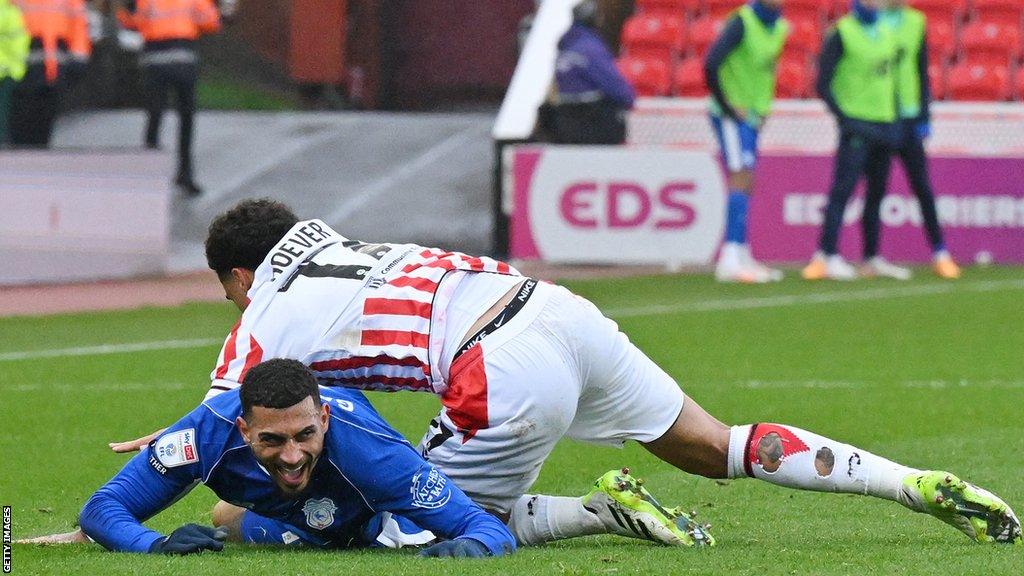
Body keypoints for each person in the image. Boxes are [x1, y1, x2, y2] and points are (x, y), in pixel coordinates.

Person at [102, 198, 1019, 548]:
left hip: (496, 367)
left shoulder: (264, 308)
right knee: (713, 444)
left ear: (234, 277)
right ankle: (909, 485)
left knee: (417, 526)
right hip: (558, 311)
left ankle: (598, 510)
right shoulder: (352, 247)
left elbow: (231, 427)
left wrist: (196, 517)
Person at [78, 358, 516, 557]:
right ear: (243, 429)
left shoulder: (372, 455)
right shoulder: (203, 434)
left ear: (324, 418)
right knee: (225, 520)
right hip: (291, 515)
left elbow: (481, 526)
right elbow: (101, 509)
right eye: (271, 440)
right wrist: (154, 545)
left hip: (365, 511)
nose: (291, 455)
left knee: (415, 528)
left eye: (305, 434)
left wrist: (474, 548)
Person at [856, 0, 959, 280]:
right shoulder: (872, 22)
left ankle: (940, 252)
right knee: (875, 189)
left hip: (909, 117)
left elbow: (920, 69)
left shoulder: (916, 22)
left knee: (922, 187)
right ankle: (870, 256)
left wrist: (925, 116)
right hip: (881, 116)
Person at [802, 0, 901, 281]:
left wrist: (894, 116)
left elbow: (888, 78)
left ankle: (871, 256)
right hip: (856, 124)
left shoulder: (885, 31)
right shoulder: (842, 33)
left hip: (883, 121)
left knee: (877, 193)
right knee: (842, 191)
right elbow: (822, 83)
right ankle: (826, 253)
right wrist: (845, 118)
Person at [704, 0, 789, 283]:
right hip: (732, 115)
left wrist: (762, 109)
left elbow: (765, 74)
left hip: (752, 116)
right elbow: (711, 63)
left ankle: (741, 251)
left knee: (747, 178)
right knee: (740, 176)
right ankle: (729, 257)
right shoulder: (742, 21)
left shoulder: (779, 26)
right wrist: (728, 107)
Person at [117, 0, 222, 197]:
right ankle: (184, 174)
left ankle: (154, 173)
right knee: (184, 119)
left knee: (156, 116)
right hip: (183, 60)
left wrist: (128, 12)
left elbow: (131, 21)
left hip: (157, 61)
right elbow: (211, 22)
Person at [551, 0, 635, 144]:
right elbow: (616, 87)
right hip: (591, 123)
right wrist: (628, 98)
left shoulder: (566, 46)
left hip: (566, 123)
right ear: (595, 19)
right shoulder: (590, 48)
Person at [8, 0, 89, 147]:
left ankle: (38, 152)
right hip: (20, 59)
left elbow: (79, 24)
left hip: (53, 61)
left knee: (44, 114)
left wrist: (78, 57)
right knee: (21, 114)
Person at [0, 0, 29, 146]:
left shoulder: (10, 10)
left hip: (6, 71)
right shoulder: (10, 10)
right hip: (8, 70)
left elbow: (18, 40)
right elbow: (20, 41)